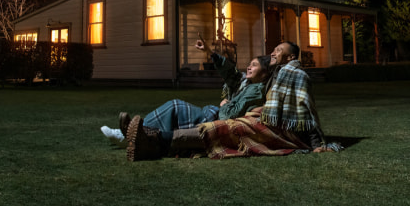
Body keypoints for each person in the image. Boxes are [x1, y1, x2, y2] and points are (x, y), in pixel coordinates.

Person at [127, 40, 338, 160]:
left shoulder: (294, 74)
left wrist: (316, 143)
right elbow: (232, 74)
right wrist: (210, 52)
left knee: (224, 126)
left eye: (279, 50)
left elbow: (304, 108)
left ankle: (150, 139)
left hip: (276, 127)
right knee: (181, 109)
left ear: (291, 57)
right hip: (261, 119)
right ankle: (144, 136)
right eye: (273, 49)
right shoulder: (271, 76)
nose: (273, 52)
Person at [99, 39, 257, 141]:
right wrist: (209, 52)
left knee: (175, 106)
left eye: (254, 65)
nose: (249, 67)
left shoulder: (256, 89)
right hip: (214, 112)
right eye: (250, 64)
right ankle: (134, 134)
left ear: (264, 71)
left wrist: (225, 105)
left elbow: (232, 113)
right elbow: (229, 72)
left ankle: (129, 135)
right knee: (175, 112)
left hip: (218, 117)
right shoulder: (244, 82)